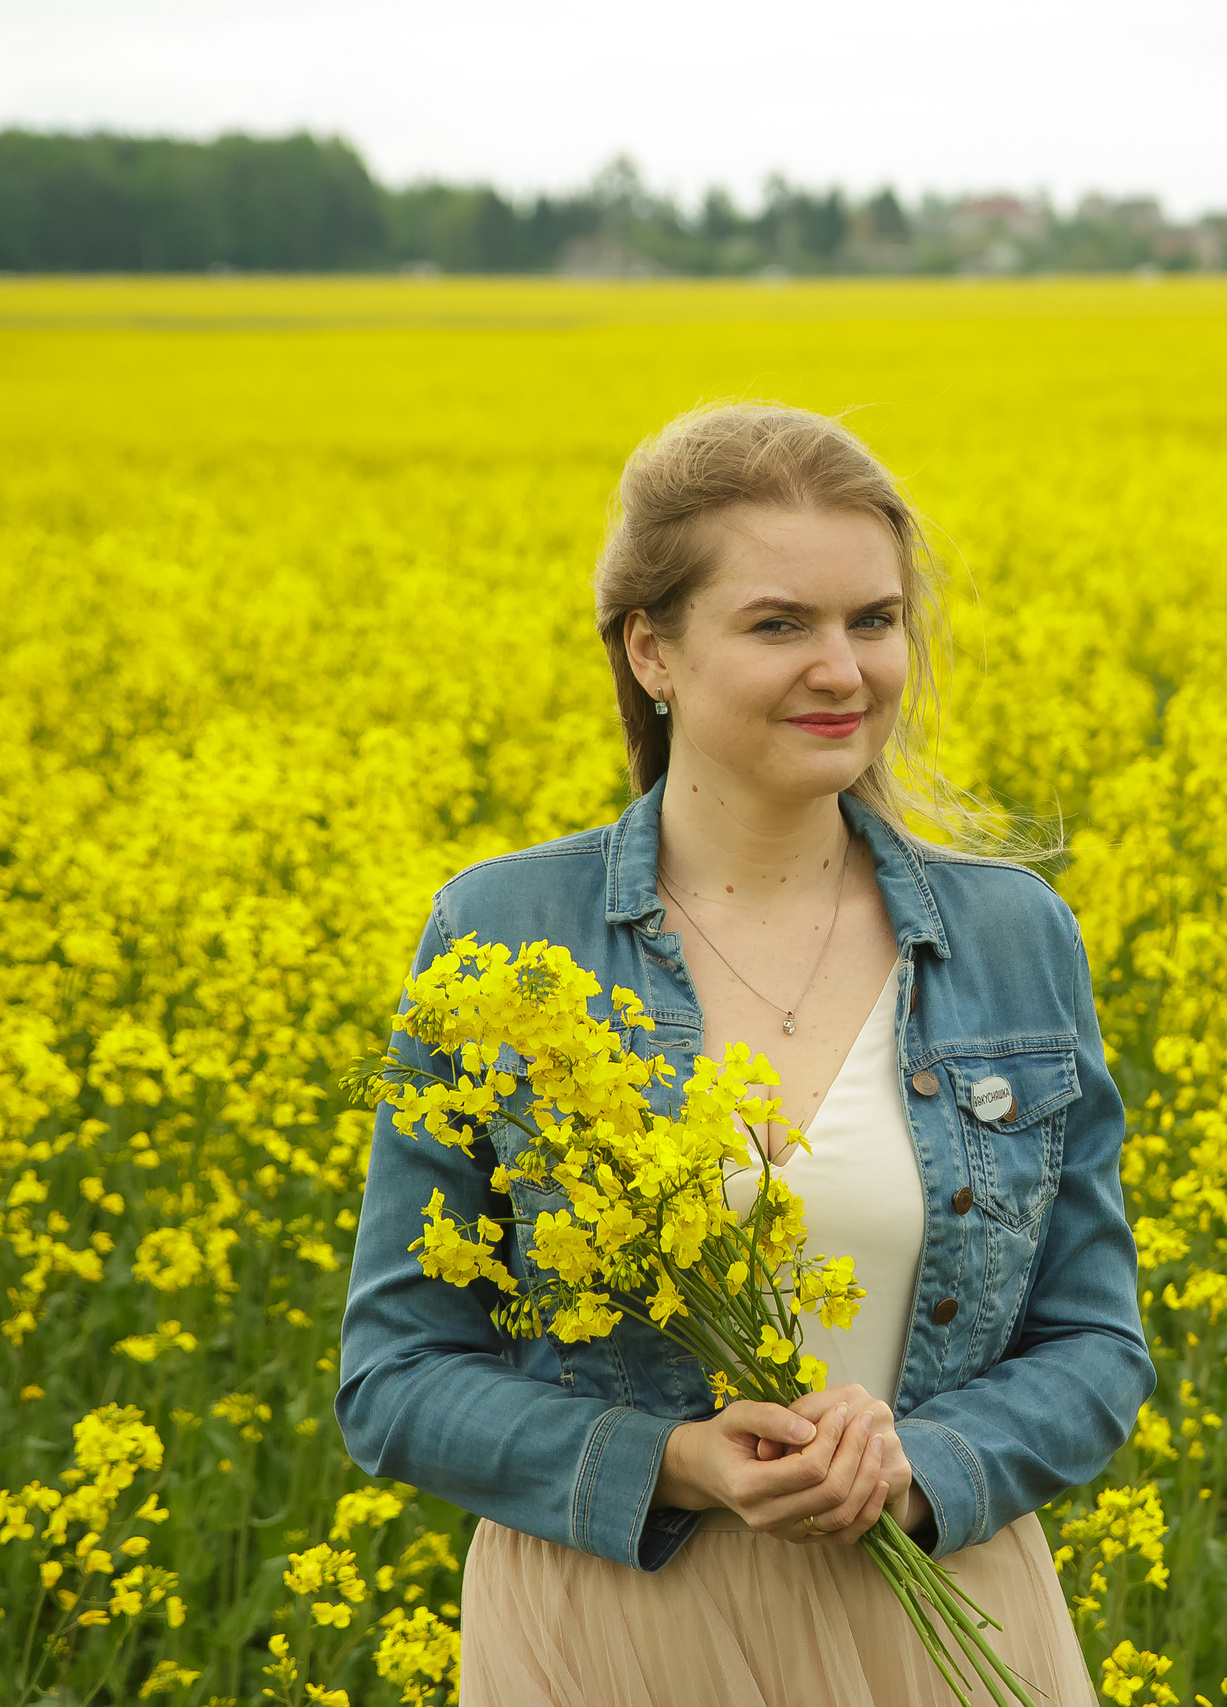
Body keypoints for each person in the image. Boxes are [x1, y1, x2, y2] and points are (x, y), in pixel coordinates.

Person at [335, 402, 1153, 1705]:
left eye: (873, 621)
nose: (845, 671)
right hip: (616, 1632)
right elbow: (395, 1378)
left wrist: (923, 1461)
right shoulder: (500, 935)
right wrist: (672, 1461)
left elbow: (1097, 1345)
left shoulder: (1013, 936)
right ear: (650, 648)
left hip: (935, 1613)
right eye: (781, 625)